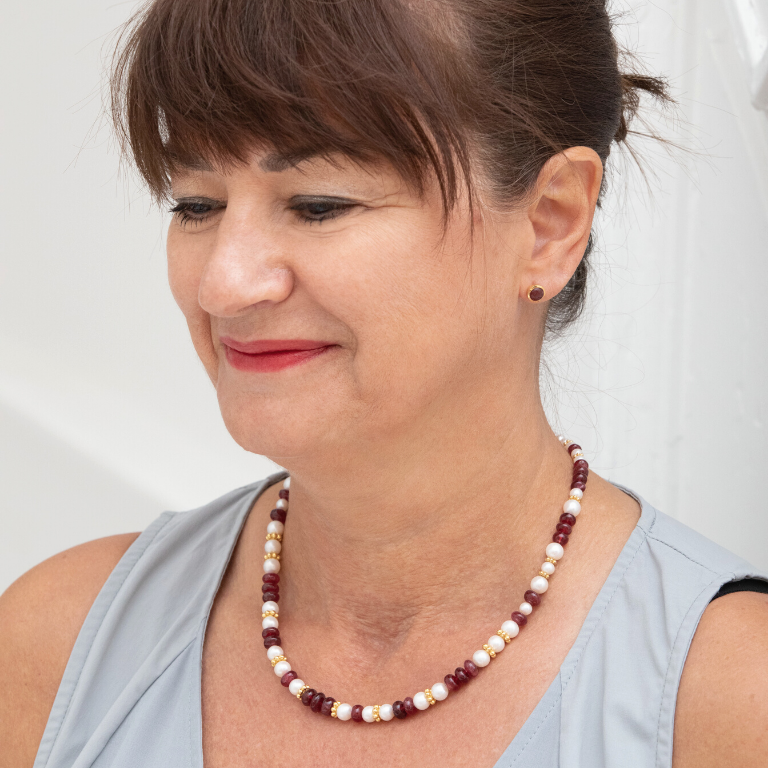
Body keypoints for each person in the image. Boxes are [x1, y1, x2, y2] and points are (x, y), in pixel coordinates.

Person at [1, 0, 767, 766]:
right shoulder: (57, 646)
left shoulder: (727, 701)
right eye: (196, 204)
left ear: (547, 224)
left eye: (318, 205)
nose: (224, 285)